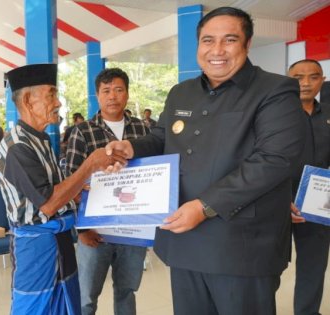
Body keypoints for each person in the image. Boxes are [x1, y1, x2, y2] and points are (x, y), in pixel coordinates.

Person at [115, 7, 307, 314]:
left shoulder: (274, 90)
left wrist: (205, 206)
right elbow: (161, 138)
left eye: (229, 40)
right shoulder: (181, 92)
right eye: (207, 40)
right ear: (198, 46)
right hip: (182, 239)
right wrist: (131, 148)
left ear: (247, 44)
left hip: (241, 245)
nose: (217, 50)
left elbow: (274, 160)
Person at [0, 63, 130, 314]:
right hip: (36, 249)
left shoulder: (41, 140)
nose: (58, 103)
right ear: (27, 100)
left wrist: (86, 193)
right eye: (51, 94)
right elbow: (48, 203)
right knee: (36, 308)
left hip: (60, 242)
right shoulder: (17, 147)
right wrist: (90, 164)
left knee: (67, 305)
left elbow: (60, 192)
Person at [66, 68, 149, 315]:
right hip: (95, 230)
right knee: (86, 298)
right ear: (97, 96)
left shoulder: (143, 130)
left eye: (118, 89)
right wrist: (82, 230)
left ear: (127, 93)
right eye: (106, 91)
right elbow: (72, 181)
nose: (112, 96)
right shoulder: (82, 131)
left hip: (133, 229)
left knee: (126, 292)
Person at [287, 59, 330, 315]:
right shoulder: (274, 115)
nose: (305, 83)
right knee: (268, 267)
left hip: (317, 205)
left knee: (313, 266)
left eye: (313, 77)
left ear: (321, 81)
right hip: (276, 201)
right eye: (297, 77)